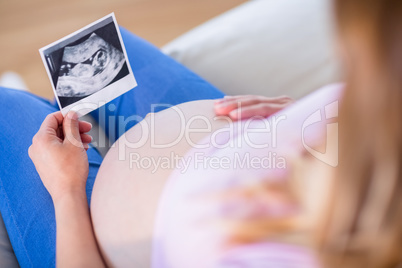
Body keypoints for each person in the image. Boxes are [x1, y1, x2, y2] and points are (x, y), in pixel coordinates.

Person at [0, 0, 401, 268]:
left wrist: (66, 191)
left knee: (9, 107)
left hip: (98, 242)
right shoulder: (387, 93)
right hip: (222, 135)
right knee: (98, 47)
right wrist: (294, 117)